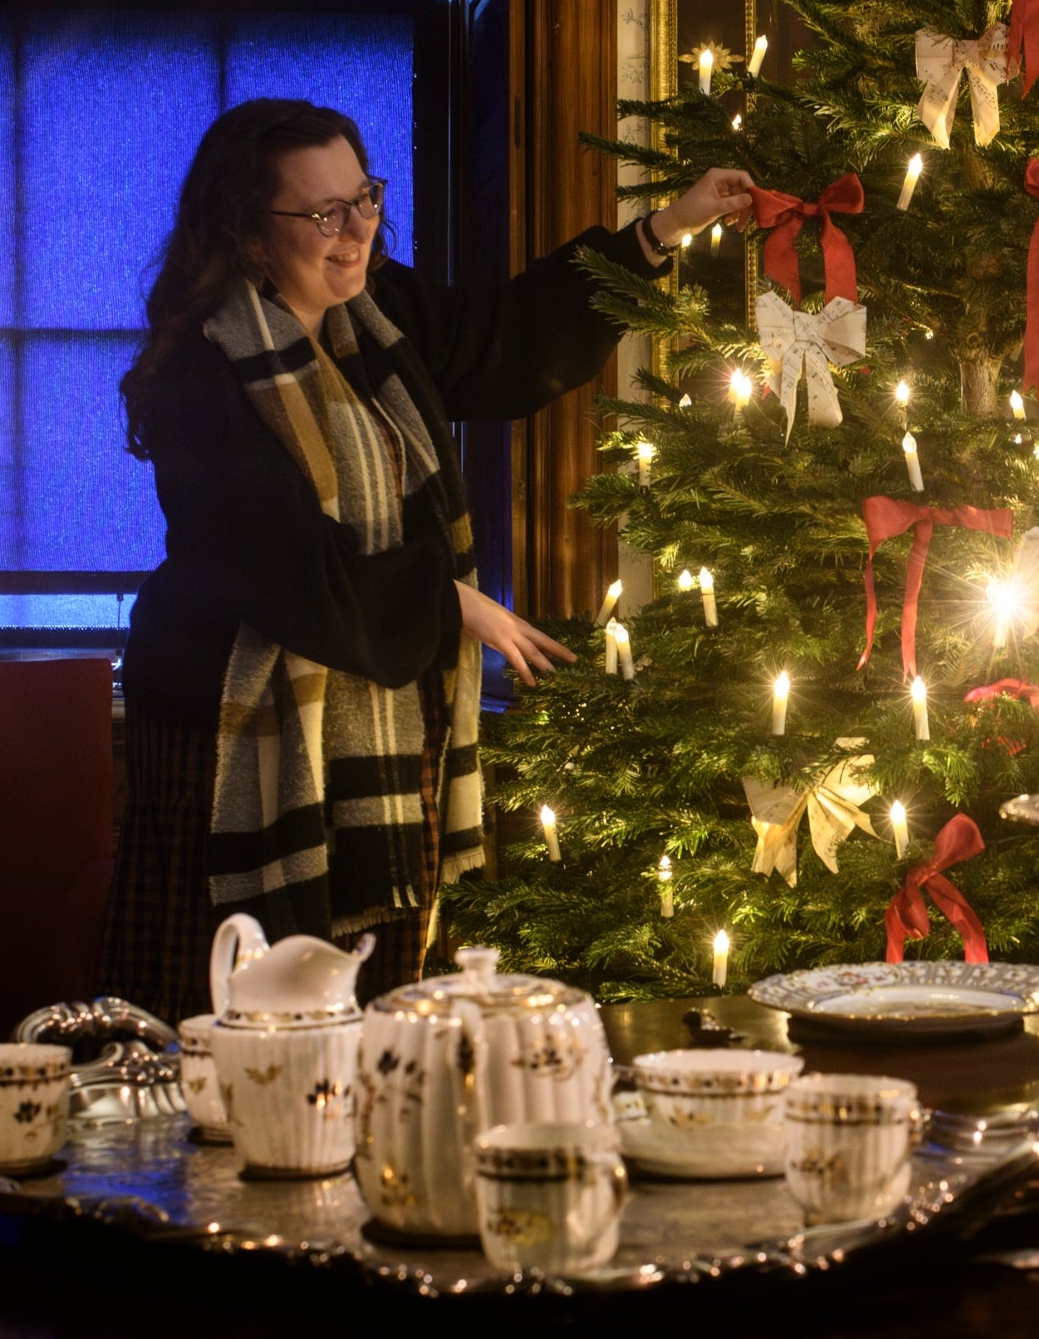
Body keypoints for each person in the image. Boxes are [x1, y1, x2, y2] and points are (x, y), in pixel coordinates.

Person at [106, 97, 752, 1022]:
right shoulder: (201, 378)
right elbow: (292, 576)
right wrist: (453, 604)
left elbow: (505, 341)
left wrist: (664, 228)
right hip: (230, 732)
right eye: (322, 214)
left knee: (373, 1010)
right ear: (248, 235)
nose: (356, 231)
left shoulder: (380, 311)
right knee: (228, 1017)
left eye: (363, 199)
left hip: (379, 715)